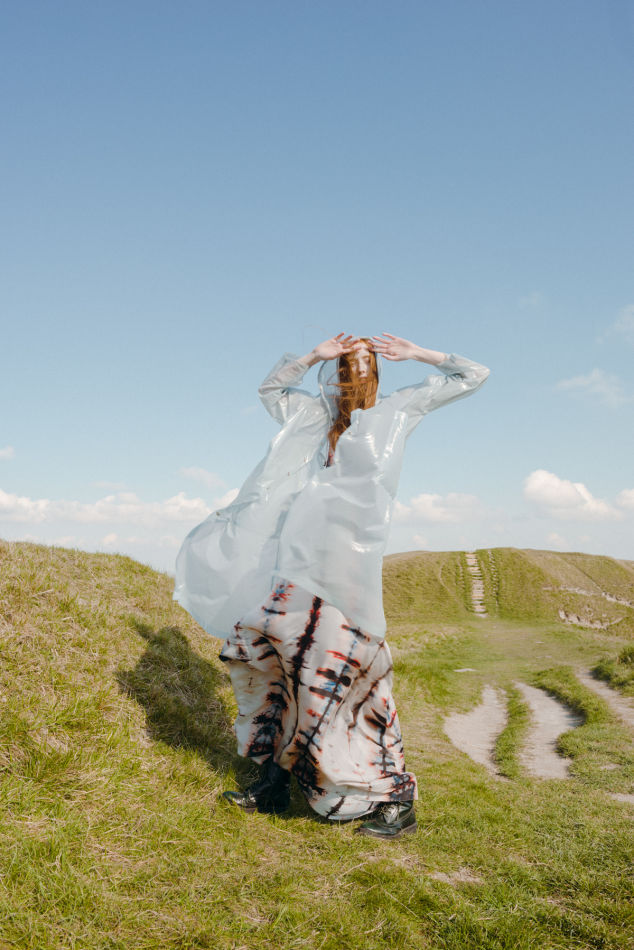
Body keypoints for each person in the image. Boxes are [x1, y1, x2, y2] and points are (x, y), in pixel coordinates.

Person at [174, 332, 490, 838]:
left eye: (366, 362)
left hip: (348, 571)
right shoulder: (312, 415)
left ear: (378, 370)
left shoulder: (396, 411)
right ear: (337, 372)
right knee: (279, 667)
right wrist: (310, 357)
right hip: (295, 566)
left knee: (355, 674)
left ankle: (394, 799)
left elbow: (473, 375)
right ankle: (274, 783)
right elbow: (270, 391)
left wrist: (419, 354)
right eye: (347, 363)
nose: (357, 370)